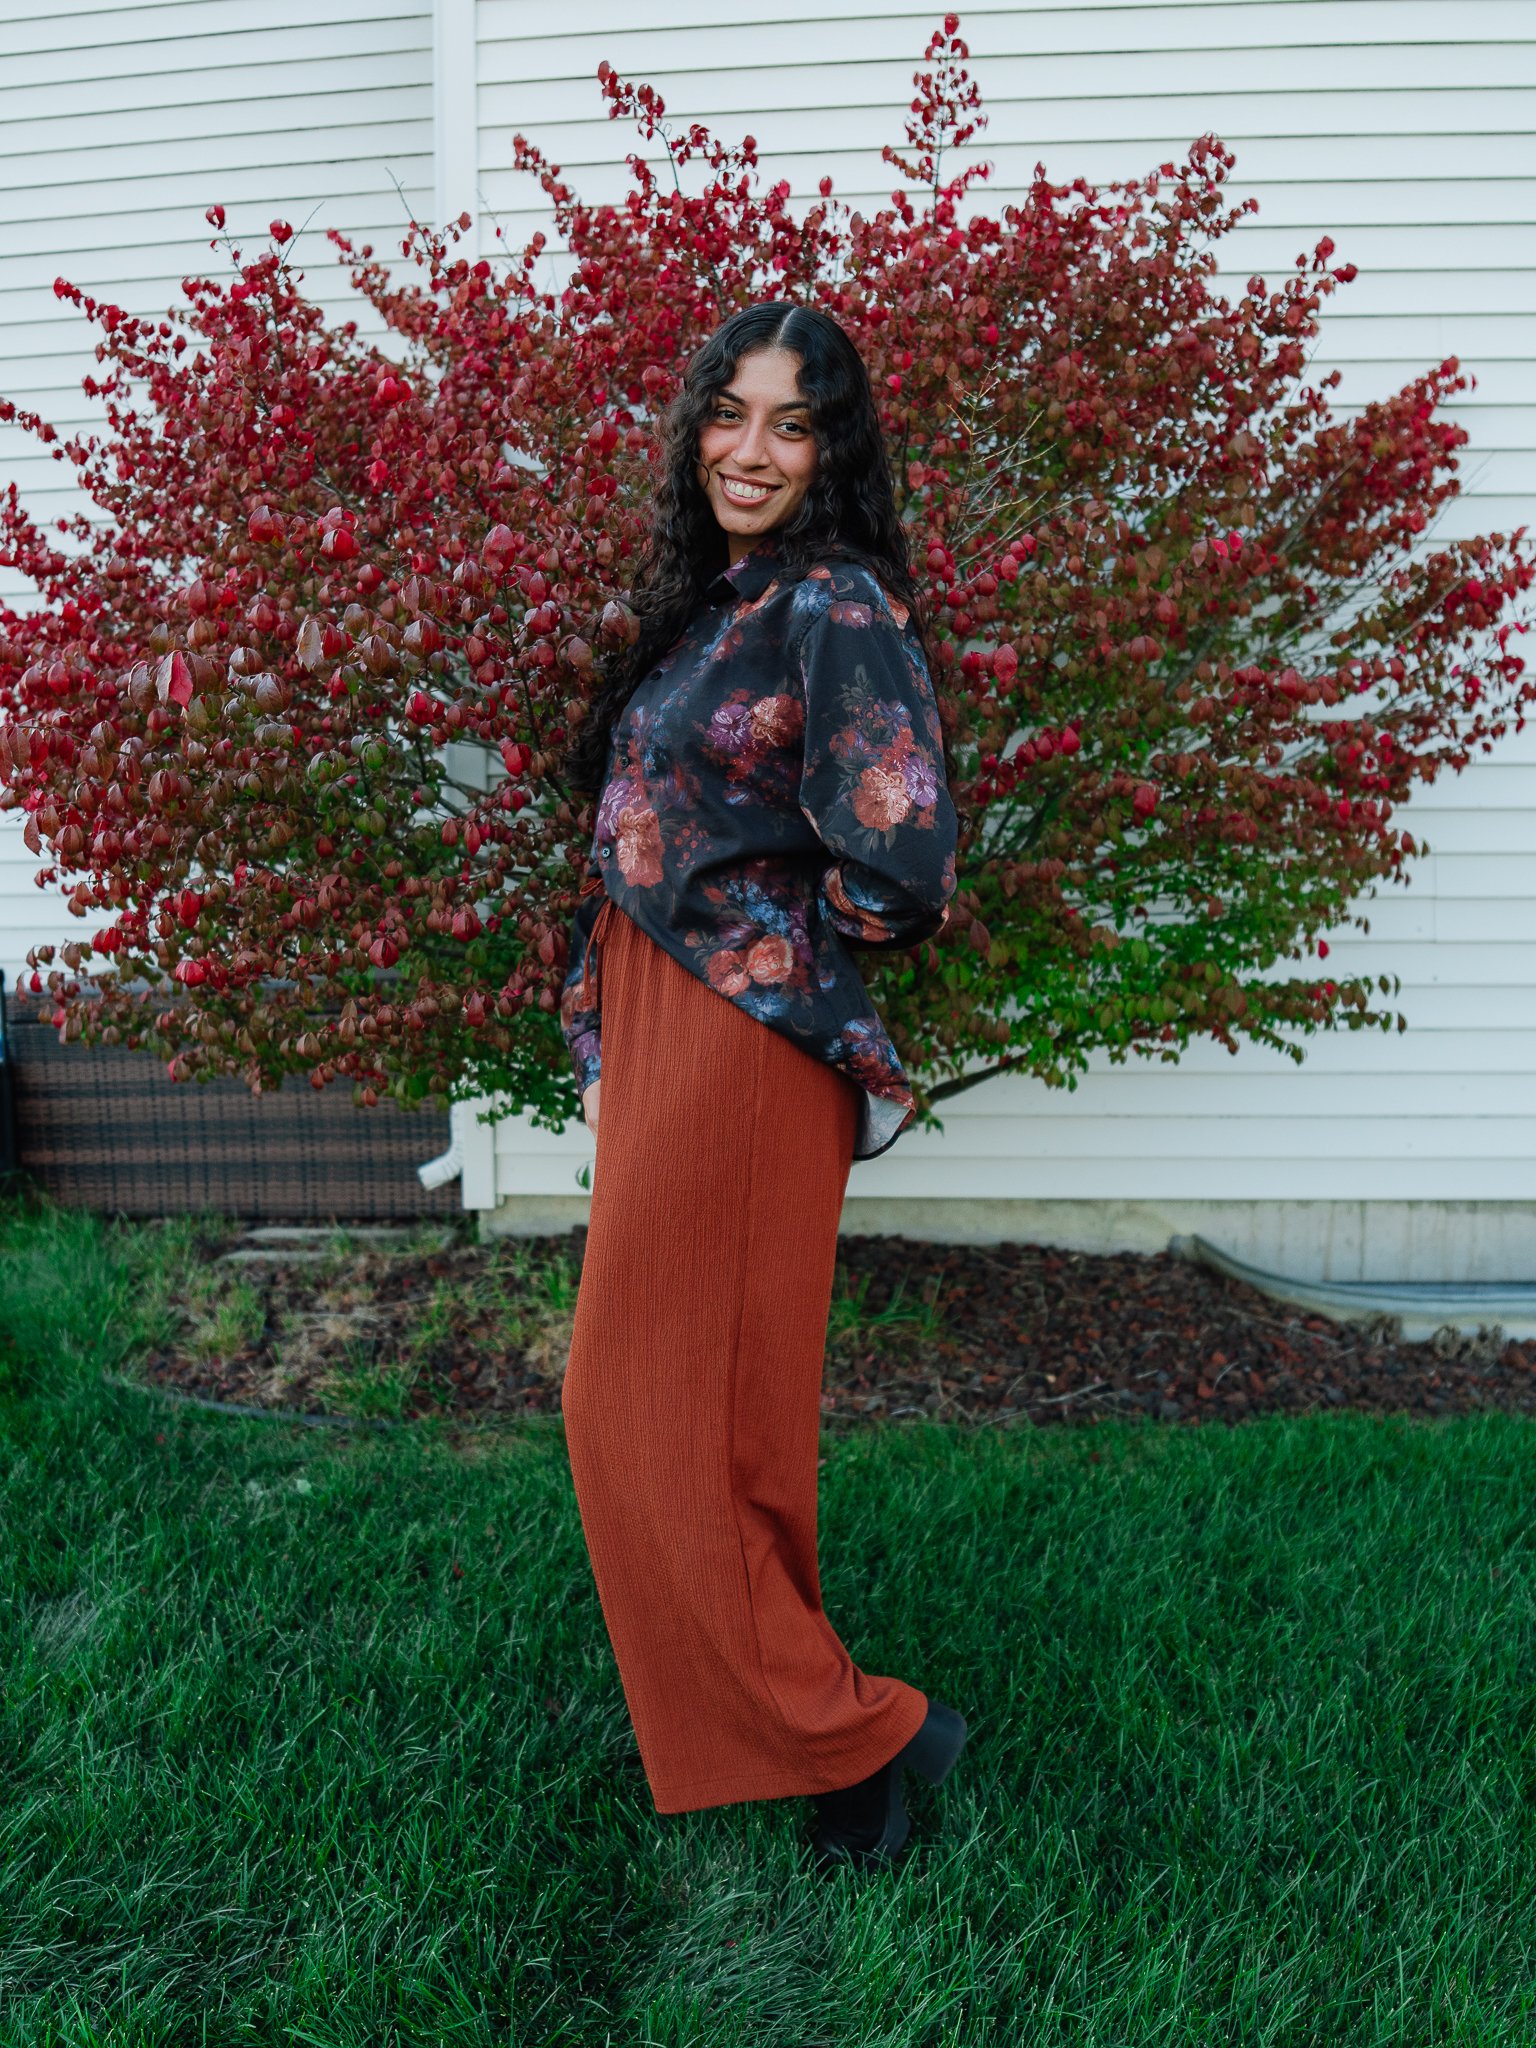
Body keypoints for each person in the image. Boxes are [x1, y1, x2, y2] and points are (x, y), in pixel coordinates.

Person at [555, 300, 967, 1871]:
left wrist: (772, 964)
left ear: (832, 449)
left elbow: (902, 848)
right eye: (730, 413)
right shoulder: (720, 599)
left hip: (744, 1041)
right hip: (675, 1027)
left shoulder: (838, 607)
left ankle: (854, 1738)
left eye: (791, 423)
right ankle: (809, 1722)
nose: (751, 449)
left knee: (649, 1410)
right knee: (682, 1418)